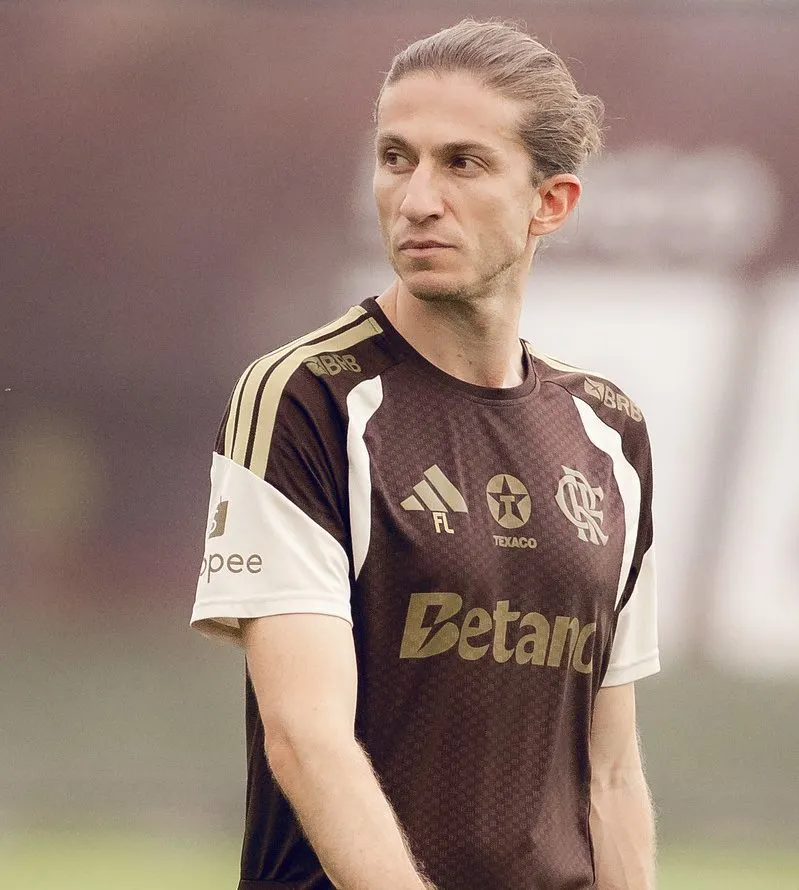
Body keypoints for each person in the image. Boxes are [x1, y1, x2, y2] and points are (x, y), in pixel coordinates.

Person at [190, 19, 658, 890]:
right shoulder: (307, 400)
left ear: (549, 203)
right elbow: (305, 738)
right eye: (397, 157)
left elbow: (612, 773)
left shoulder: (609, 434)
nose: (416, 199)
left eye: (463, 163)